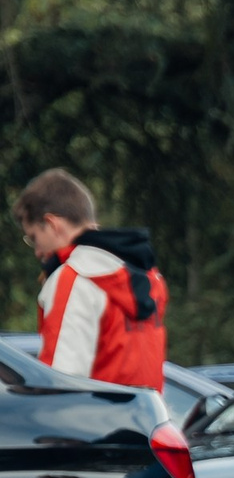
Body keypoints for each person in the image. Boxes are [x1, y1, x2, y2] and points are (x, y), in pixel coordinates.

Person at [13, 171, 168, 419]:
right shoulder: (149, 277)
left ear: (52, 224)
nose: (37, 252)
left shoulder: (74, 279)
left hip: (93, 430)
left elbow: (60, 383)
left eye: (34, 238)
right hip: (147, 426)